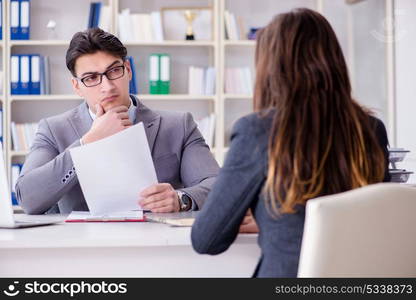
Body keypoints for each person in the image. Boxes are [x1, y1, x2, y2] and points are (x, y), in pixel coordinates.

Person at [191, 8, 390, 277]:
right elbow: (372, 221)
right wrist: (272, 219)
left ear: (270, 68)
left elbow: (206, 239)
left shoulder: (257, 131)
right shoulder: (371, 129)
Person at [16, 28, 219, 215]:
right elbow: (28, 198)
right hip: (81, 248)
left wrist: (180, 199)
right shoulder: (53, 130)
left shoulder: (178, 125)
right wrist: (87, 143)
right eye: (91, 78)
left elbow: (217, 185)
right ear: (77, 86)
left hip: (156, 246)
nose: (107, 86)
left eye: (114, 71)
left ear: (128, 70)